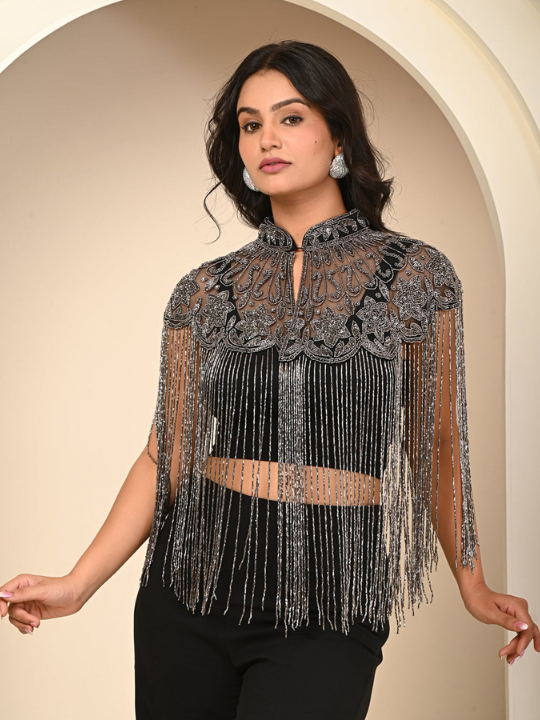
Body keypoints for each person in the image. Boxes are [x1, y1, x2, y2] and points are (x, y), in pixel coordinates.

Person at [1, 40, 538, 720]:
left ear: (338, 135)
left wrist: (473, 583)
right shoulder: (204, 289)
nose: (266, 139)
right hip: (192, 584)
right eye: (250, 124)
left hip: (332, 588)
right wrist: (78, 584)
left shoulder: (417, 276)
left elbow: (437, 445)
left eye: (290, 117)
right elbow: (166, 452)